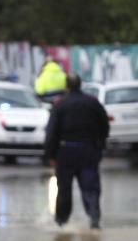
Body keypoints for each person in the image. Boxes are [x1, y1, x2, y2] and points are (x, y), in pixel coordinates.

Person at [43, 74, 109, 229]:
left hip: (66, 152)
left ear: (66, 86)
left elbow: (51, 131)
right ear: (80, 85)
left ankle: (61, 222)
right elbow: (104, 126)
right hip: (88, 151)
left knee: (64, 189)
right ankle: (94, 218)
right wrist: (100, 146)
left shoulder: (60, 104)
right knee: (91, 187)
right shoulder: (92, 102)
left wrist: (50, 155)